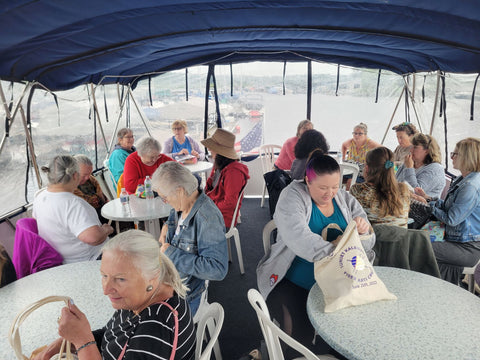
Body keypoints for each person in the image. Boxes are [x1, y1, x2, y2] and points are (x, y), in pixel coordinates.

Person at [257, 151, 375, 357]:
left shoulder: (345, 199)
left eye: (335, 186)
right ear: (307, 181)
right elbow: (299, 238)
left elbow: (370, 243)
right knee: (296, 335)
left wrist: (364, 233)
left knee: (353, 331)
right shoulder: (291, 197)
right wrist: (342, 253)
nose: (330, 193)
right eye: (322, 187)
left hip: (340, 280)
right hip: (293, 280)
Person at [33, 230, 196, 360]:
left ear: (152, 276)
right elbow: (111, 334)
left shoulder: (156, 329)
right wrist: (68, 342)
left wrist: (82, 341)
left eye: (120, 279)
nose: (106, 290)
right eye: (104, 276)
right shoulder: (137, 298)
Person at [152, 162, 228, 316]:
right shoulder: (183, 205)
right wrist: (167, 225)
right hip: (171, 284)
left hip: (187, 296)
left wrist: (172, 254)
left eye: (165, 198)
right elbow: (180, 228)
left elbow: (217, 269)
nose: (165, 202)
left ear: (179, 191)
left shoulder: (208, 219)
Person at [417, 138, 480, 285]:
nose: (451, 157)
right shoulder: (462, 179)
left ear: (467, 157)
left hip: (467, 247)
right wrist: (427, 198)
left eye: (455, 154)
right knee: (416, 238)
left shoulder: (470, 186)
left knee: (418, 246)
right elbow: (449, 206)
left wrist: (430, 206)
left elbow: (452, 219)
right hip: (456, 238)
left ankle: (431, 287)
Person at [33, 155, 113, 263]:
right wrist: (106, 229)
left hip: (62, 260)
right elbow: (93, 238)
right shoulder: (73, 204)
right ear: (75, 175)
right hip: (90, 259)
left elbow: (35, 218)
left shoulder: (39, 196)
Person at [350, 147, 410, 227]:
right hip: (401, 238)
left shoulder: (358, 190)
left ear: (367, 168)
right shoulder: (404, 190)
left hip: (371, 238)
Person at [201, 128, 250, 227]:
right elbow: (210, 188)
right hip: (214, 208)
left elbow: (229, 204)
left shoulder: (233, 173)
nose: (209, 149)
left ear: (221, 152)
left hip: (222, 217)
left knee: (186, 223)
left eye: (212, 147)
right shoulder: (219, 165)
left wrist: (207, 207)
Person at [396, 133, 445, 198]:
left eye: (415, 147)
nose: (411, 150)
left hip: (418, 206)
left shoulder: (435, 169)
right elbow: (395, 181)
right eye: (411, 146)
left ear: (427, 151)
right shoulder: (410, 162)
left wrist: (409, 168)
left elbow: (416, 192)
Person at [73, 155, 108, 221]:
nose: (88, 177)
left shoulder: (92, 181)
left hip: (103, 214)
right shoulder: (69, 190)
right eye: (84, 175)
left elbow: (105, 200)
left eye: (89, 174)